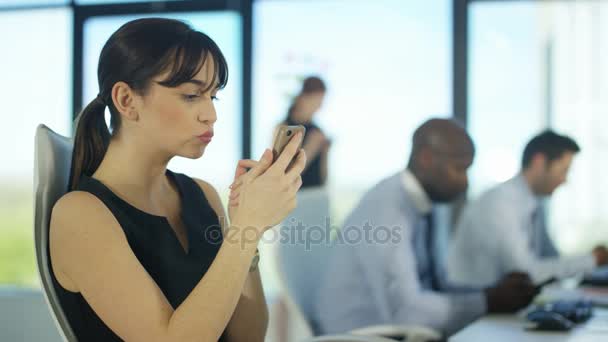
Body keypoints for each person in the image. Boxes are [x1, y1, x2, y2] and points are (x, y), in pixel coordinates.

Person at [49, 18, 306, 342]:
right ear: (127, 100)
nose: (210, 115)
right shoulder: (80, 214)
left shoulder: (203, 196)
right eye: (191, 95)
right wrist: (248, 226)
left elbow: (248, 337)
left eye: (213, 97)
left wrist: (245, 232)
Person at [314, 118, 538, 337]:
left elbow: (434, 287)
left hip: (402, 331)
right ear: (426, 158)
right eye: (460, 169)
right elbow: (406, 312)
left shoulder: (424, 203)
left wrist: (491, 292)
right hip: (363, 335)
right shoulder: (387, 210)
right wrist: (488, 301)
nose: (465, 182)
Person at [448, 130, 608, 287]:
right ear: (539, 162)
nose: (565, 180)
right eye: (563, 170)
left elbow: (551, 258)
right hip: (479, 307)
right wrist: (591, 260)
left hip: (507, 305)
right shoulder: (500, 202)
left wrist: (589, 261)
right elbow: (524, 274)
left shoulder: (533, 204)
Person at [279, 76, 331, 188]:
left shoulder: (318, 131)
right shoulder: (284, 128)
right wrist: (310, 148)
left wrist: (325, 152)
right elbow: (281, 175)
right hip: (292, 199)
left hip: (316, 197)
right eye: (316, 102)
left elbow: (324, 179)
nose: (319, 108)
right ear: (303, 98)